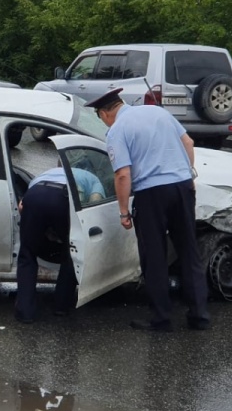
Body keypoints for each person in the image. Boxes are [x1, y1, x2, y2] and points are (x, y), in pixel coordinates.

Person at [87, 87, 210, 332]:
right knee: (189, 252)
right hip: (182, 188)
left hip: (152, 195)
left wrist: (123, 211)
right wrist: (189, 175)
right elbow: (188, 142)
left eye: (100, 117)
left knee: (154, 257)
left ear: (104, 113)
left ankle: (161, 320)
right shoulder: (158, 113)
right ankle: (199, 316)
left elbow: (123, 174)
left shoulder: (117, 131)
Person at [15, 162, 104, 323]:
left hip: (35, 195)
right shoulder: (93, 178)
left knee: (27, 254)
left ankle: (25, 312)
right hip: (63, 199)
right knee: (72, 251)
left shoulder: (49, 171)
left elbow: (22, 206)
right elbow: (95, 204)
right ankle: (61, 306)